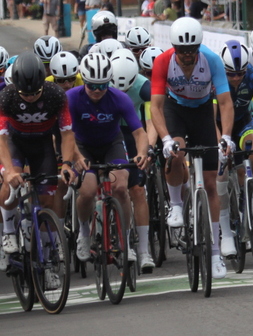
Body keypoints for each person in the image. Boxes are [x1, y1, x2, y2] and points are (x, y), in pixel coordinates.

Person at [150, 17, 235, 279]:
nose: (187, 56)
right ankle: (176, 204)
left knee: (211, 183)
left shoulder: (211, 60)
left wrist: (227, 137)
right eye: (182, 51)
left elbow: (225, 103)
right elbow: (155, 106)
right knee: (176, 150)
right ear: (174, 47)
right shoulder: (163, 61)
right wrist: (165, 139)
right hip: (175, 109)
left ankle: (215, 252)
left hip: (201, 112)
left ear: (199, 47)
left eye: (192, 51)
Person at [0, 53, 82, 263]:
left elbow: (66, 133)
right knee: (9, 186)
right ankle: (8, 231)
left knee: (47, 201)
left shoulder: (55, 94)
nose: (30, 97)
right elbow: (2, 137)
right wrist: (8, 170)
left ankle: (48, 259)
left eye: (35, 93)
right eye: (25, 94)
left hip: (43, 145)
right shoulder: (7, 96)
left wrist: (66, 163)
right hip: (16, 144)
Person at [69, 53, 148, 263]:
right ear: (83, 80)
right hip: (82, 146)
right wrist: (75, 156)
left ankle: (126, 240)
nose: (96, 91)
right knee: (87, 190)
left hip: (111, 144)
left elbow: (139, 133)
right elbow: (65, 134)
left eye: (102, 86)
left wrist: (141, 153)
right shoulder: (72, 97)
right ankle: (84, 234)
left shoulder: (119, 98)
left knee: (120, 187)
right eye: (91, 85)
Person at [215, 40, 253, 256]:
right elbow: (210, 119)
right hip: (219, 126)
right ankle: (226, 232)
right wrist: (221, 143)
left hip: (243, 123)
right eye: (231, 74)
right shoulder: (216, 78)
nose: (236, 78)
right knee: (220, 174)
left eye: (240, 73)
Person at [109, 49, 158, 272]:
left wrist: (147, 149)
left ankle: (144, 250)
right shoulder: (102, 84)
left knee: (137, 190)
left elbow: (151, 120)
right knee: (114, 186)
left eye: (127, 89)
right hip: (108, 134)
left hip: (133, 132)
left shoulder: (144, 86)